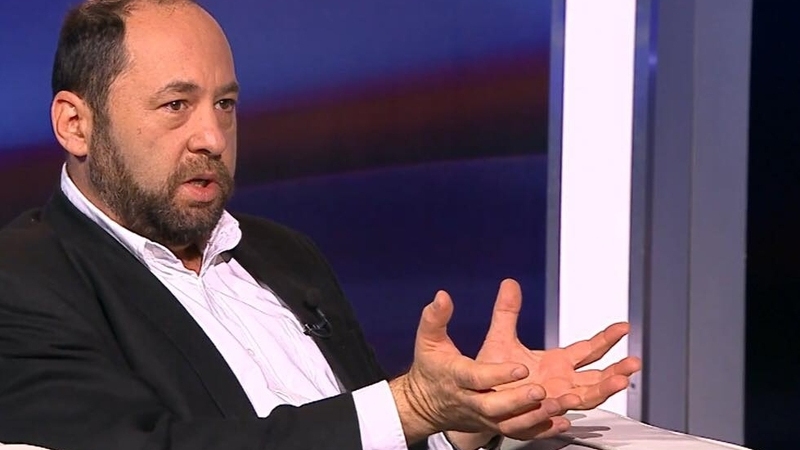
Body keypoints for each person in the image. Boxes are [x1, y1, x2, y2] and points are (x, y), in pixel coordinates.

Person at [0, 1, 641, 449]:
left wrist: (468, 416)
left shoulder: (283, 254)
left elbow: (369, 434)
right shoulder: (25, 279)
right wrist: (412, 404)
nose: (212, 137)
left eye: (225, 104)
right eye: (176, 105)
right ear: (75, 125)